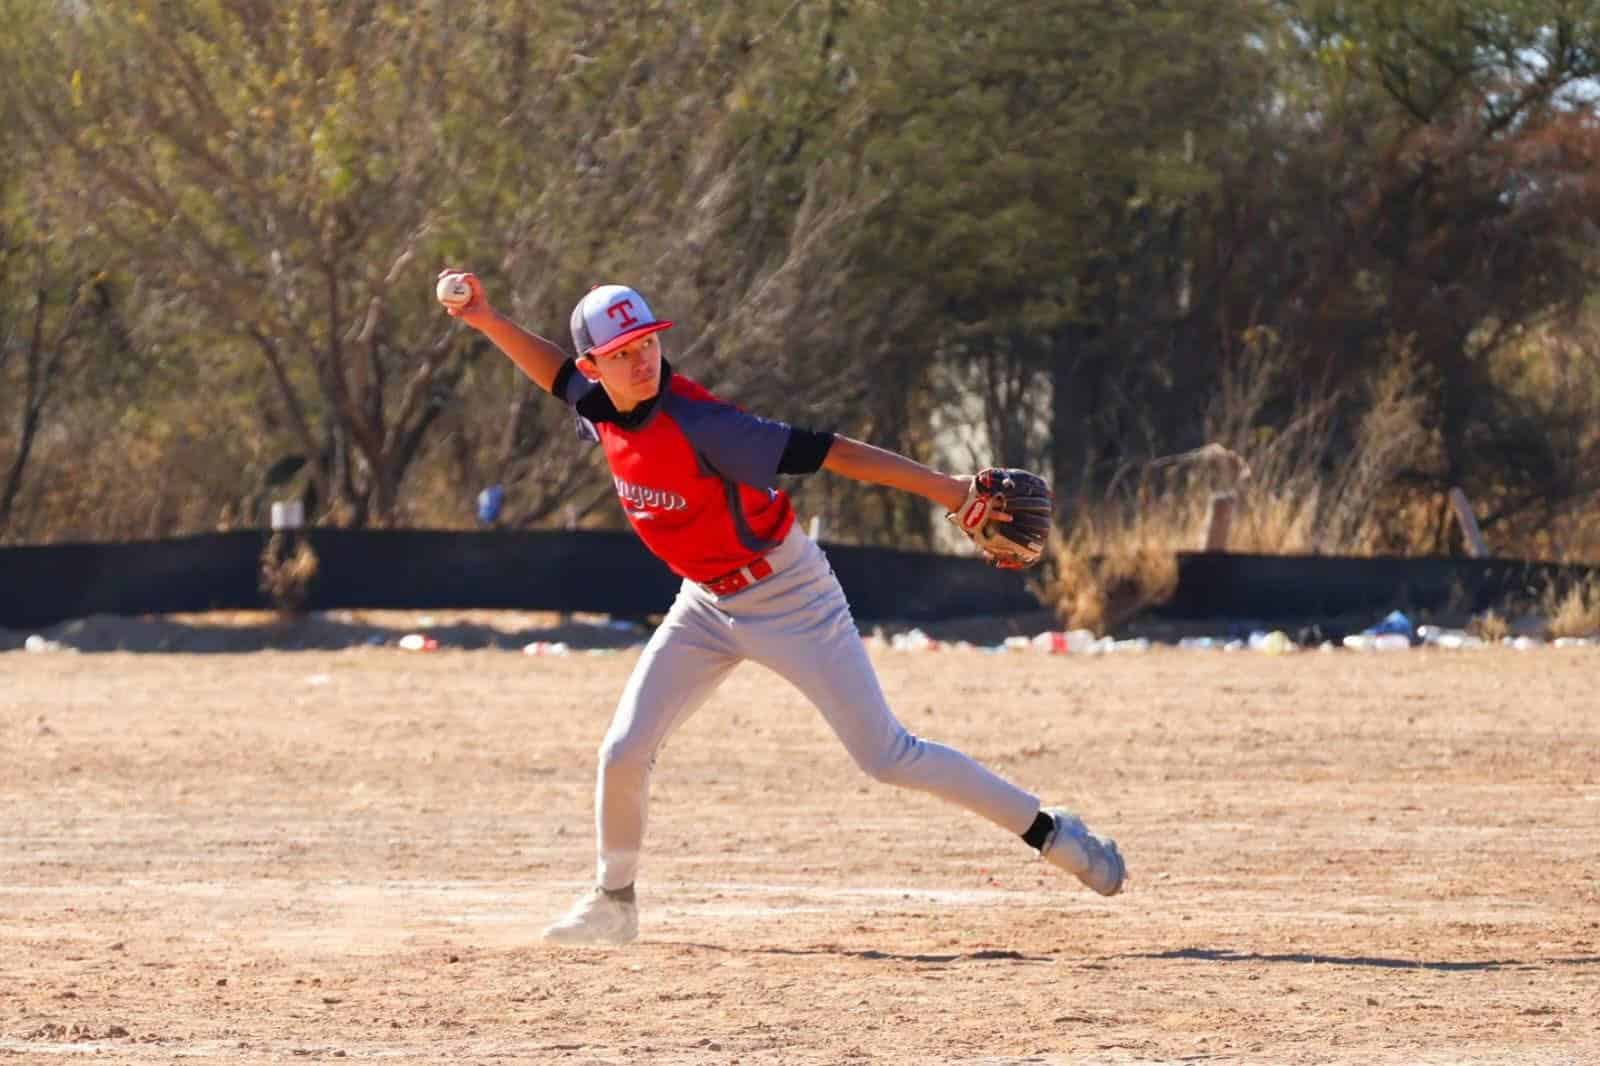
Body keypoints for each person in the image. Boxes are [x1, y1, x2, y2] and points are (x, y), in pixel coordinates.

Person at [436, 271, 1126, 945]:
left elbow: (830, 452)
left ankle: (1053, 832)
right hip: (704, 605)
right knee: (622, 751)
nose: (643, 358)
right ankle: (614, 901)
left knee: (887, 756)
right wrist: (485, 319)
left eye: (648, 341)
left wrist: (947, 489)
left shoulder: (701, 422)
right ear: (597, 365)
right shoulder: (598, 405)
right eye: (622, 352)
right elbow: (555, 373)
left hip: (790, 595)